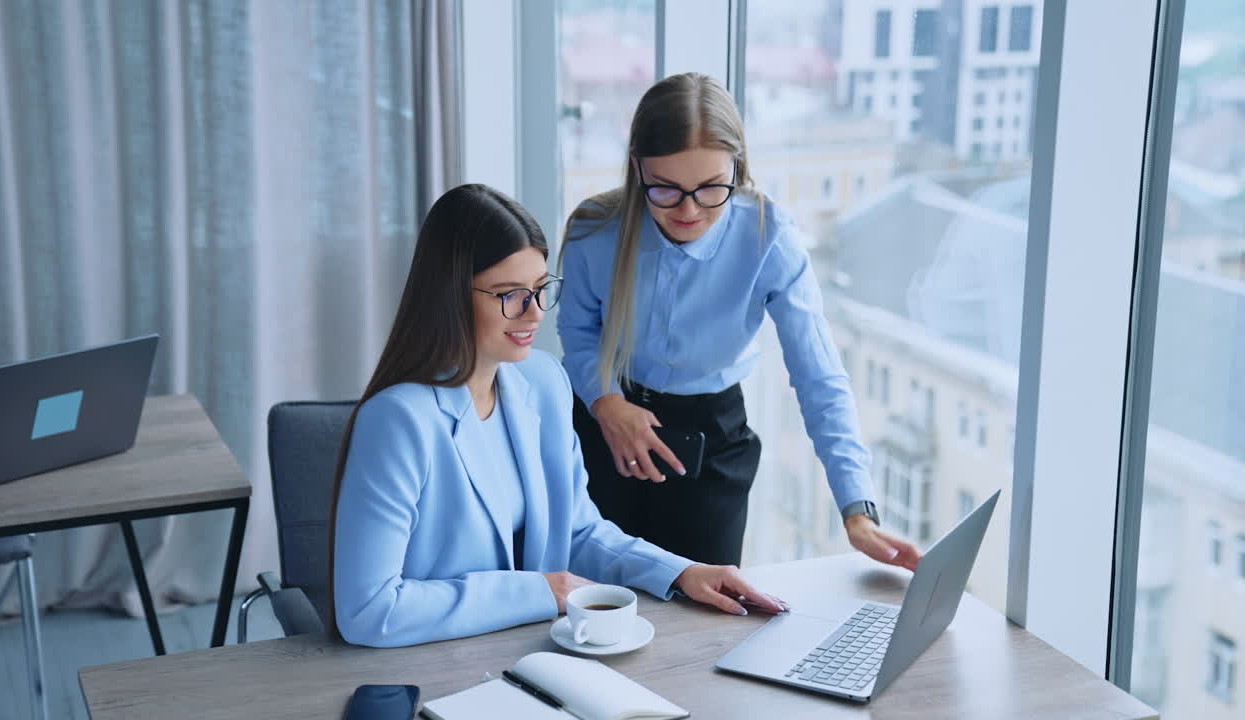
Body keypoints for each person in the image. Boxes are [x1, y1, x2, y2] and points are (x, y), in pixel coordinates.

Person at [329, 184, 786, 648]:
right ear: (449, 294)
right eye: (510, 295)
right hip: (431, 664)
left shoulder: (542, 382)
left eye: (540, 289)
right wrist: (542, 592)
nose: (534, 314)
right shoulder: (398, 420)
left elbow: (579, 531)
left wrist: (682, 571)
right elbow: (369, 610)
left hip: (530, 651)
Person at [557, 73, 922, 571]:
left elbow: (819, 377)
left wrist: (857, 509)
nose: (689, 210)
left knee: (705, 622)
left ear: (738, 168)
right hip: (606, 429)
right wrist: (606, 404)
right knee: (596, 602)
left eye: (711, 188)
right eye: (664, 189)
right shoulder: (593, 230)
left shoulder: (770, 236)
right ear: (637, 169)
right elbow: (578, 333)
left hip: (711, 445)